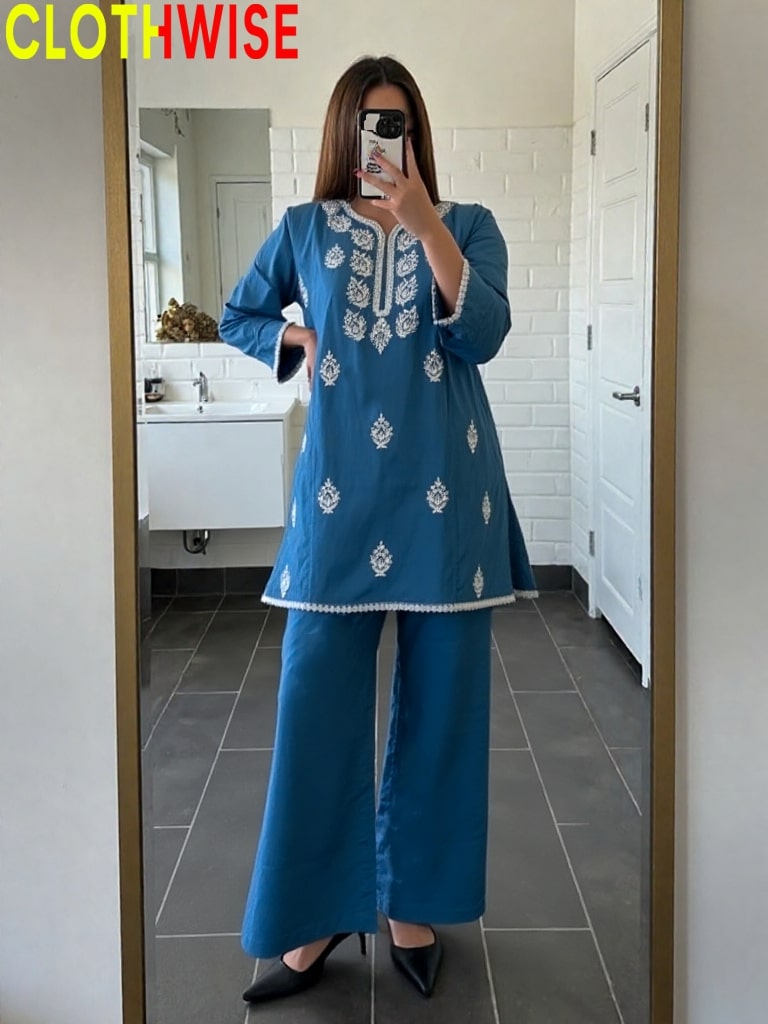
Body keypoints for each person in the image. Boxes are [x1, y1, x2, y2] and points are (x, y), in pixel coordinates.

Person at [218, 54, 537, 1005]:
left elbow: (480, 331)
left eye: (397, 122)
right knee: (313, 702)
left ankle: (412, 903)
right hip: (336, 502)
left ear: (418, 133)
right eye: (368, 122)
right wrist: (297, 338)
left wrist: (423, 219)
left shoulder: (467, 225)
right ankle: (315, 912)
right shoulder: (302, 229)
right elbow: (241, 312)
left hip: (449, 501)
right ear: (342, 133)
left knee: (443, 715)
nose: (382, 139)